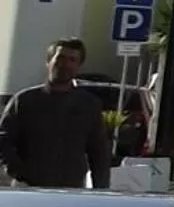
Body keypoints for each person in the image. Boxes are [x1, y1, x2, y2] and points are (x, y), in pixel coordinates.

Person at [0, 39, 112, 189]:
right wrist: (19, 173)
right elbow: (3, 141)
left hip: (71, 189)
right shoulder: (24, 100)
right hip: (27, 188)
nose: (65, 64)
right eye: (60, 58)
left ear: (78, 66)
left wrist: (101, 190)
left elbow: (98, 152)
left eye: (72, 60)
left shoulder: (89, 105)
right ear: (49, 61)